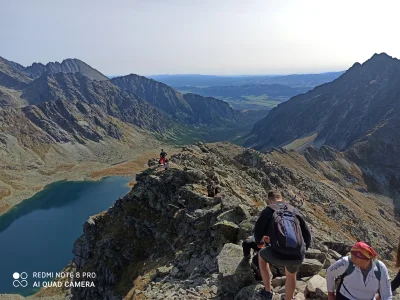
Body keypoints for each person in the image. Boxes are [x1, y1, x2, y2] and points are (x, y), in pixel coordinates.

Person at [254, 190, 312, 300]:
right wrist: (302, 250)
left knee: (261, 256)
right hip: (297, 254)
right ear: (282, 199)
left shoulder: (269, 210)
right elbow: (307, 235)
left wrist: (260, 243)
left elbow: (257, 232)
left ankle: (267, 291)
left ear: (269, 201)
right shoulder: (294, 210)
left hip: (278, 253)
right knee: (291, 274)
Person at [326, 241, 392, 300]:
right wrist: (331, 294)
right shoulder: (346, 262)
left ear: (366, 259)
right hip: (346, 297)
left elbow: (386, 293)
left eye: (355, 258)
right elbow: (330, 272)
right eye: (351, 256)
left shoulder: (380, 268)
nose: (351, 259)